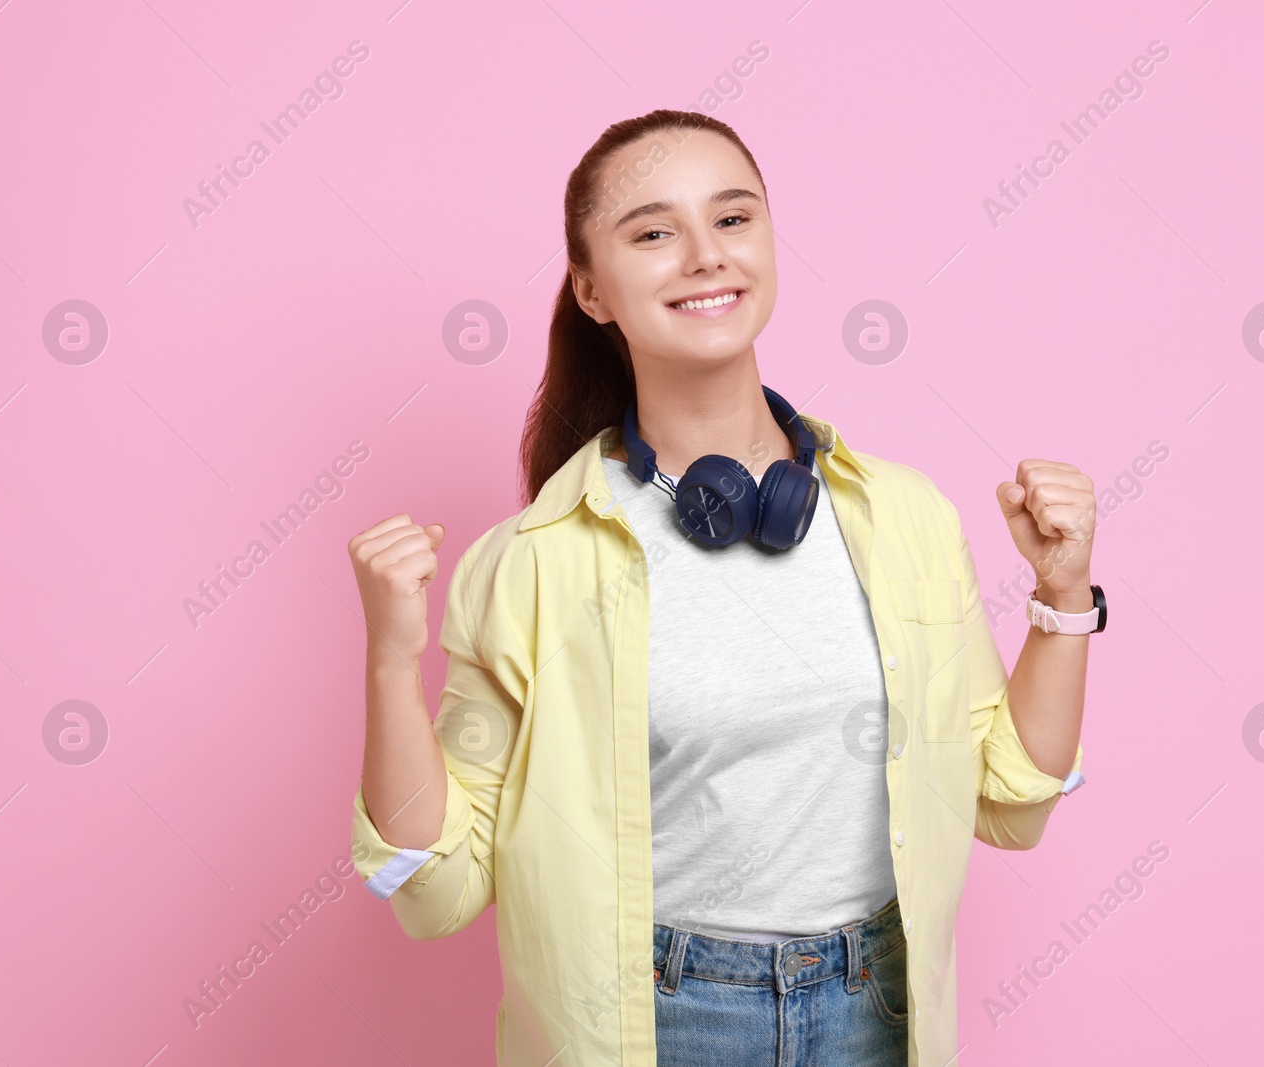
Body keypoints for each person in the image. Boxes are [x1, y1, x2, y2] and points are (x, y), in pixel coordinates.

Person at [346, 109, 1101, 1067]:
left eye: (734, 219)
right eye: (655, 232)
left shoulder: (905, 517)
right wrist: (388, 656)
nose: (705, 255)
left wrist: (1064, 594)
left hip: (881, 1006)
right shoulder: (532, 561)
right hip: (653, 1022)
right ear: (591, 289)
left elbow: (1009, 795)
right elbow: (435, 884)